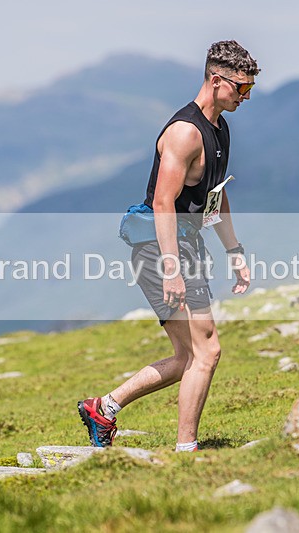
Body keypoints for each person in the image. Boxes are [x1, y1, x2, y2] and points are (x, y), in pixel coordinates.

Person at [78, 40, 260, 452]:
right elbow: (163, 201)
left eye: (249, 89)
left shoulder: (219, 129)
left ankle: (103, 407)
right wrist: (173, 268)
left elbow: (216, 196)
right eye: (241, 89)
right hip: (163, 249)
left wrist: (235, 253)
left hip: (180, 245)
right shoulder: (184, 133)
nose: (245, 97)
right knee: (207, 349)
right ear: (217, 81)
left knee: (186, 356)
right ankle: (186, 450)